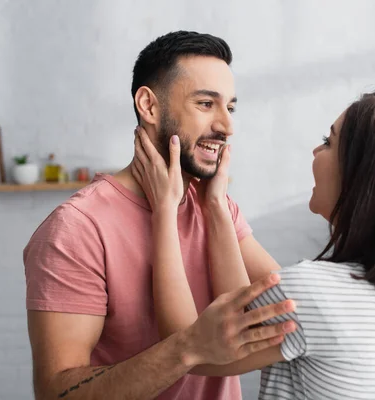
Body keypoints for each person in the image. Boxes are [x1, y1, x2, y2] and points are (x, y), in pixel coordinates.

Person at [133, 90, 375, 400]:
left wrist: (165, 208)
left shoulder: (316, 294)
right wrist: (215, 206)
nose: (316, 150)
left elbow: (186, 346)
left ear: (364, 177)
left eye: (329, 141)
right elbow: (251, 302)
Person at [24, 31, 295, 400]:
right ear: (149, 106)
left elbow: (281, 312)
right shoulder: (77, 228)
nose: (226, 126)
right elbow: (56, 392)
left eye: (229, 108)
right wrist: (187, 349)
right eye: (205, 104)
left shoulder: (217, 205)